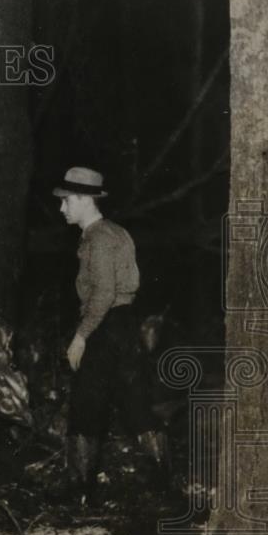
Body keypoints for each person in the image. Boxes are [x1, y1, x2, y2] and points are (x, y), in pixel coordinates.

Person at [53, 166, 169, 505]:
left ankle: (80, 492)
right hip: (124, 325)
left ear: (86, 201)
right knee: (135, 403)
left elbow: (102, 293)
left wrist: (81, 336)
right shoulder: (117, 232)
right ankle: (165, 487)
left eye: (67, 201)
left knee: (86, 404)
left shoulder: (97, 239)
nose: (62, 209)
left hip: (104, 326)